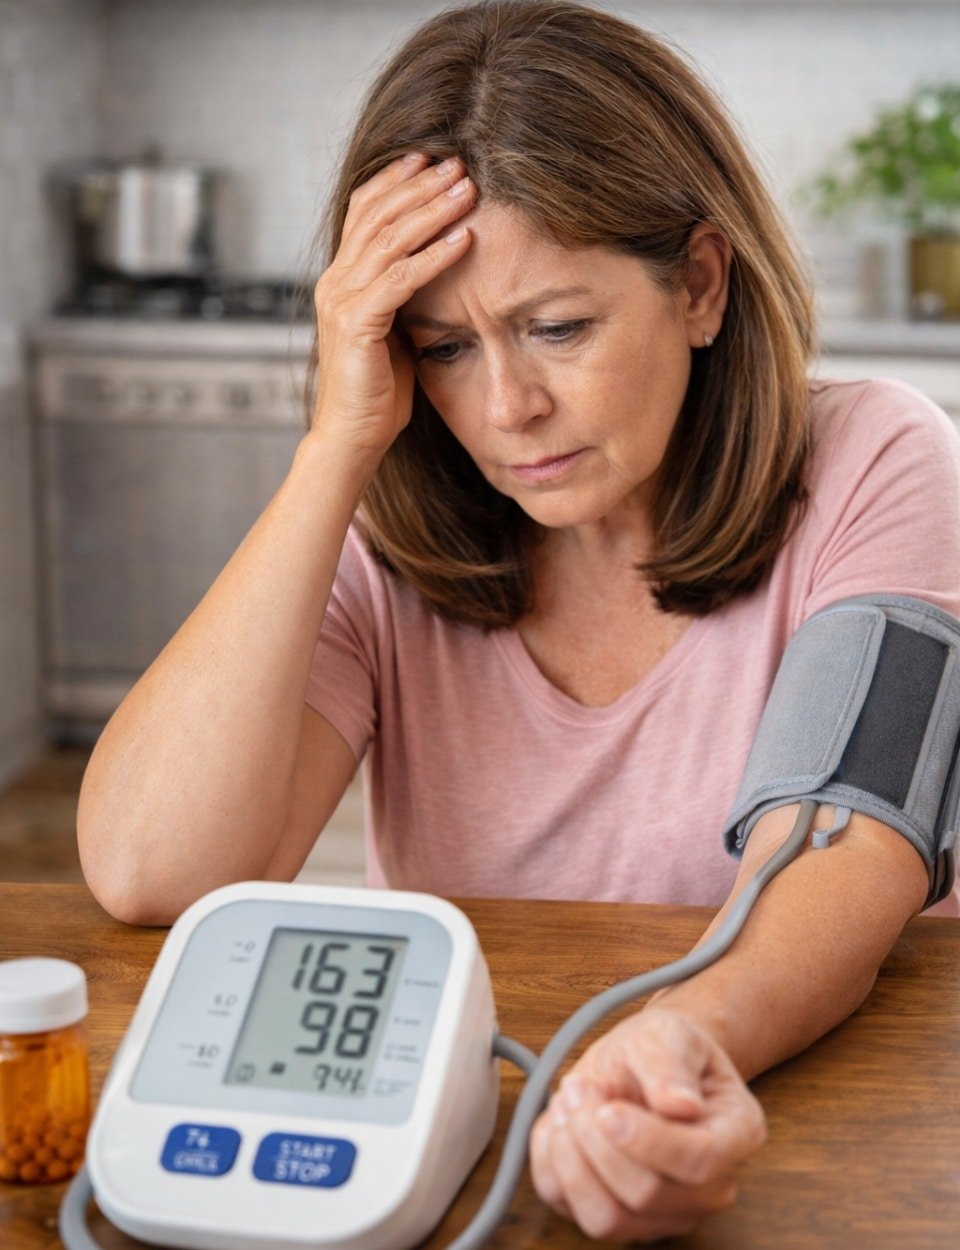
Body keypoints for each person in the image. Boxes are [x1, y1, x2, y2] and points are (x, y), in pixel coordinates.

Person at [77, 0, 960, 1241]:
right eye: (442, 348)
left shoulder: (876, 455)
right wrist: (336, 446)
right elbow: (150, 869)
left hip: (802, 1103)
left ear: (699, 284)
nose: (505, 408)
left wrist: (670, 1046)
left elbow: (842, 848)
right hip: (454, 1131)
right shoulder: (389, 533)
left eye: (558, 327)